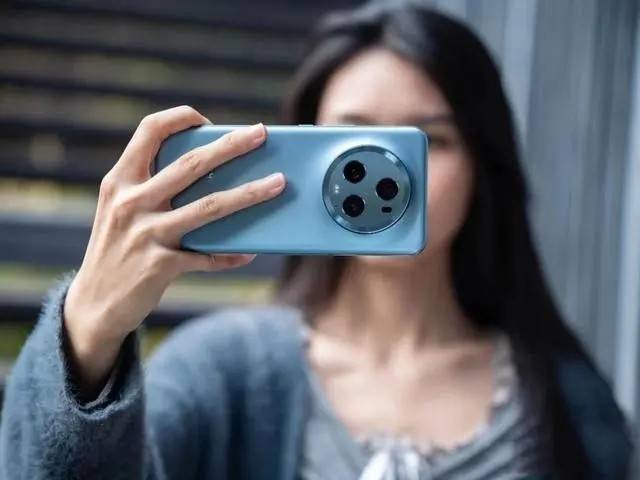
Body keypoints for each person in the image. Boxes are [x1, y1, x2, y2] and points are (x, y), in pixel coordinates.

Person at [0, 3, 633, 479]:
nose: (385, 175)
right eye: (351, 140)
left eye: (428, 141)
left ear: (483, 167)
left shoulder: (573, 404)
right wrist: (90, 330)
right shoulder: (221, 372)